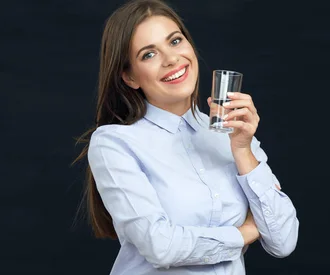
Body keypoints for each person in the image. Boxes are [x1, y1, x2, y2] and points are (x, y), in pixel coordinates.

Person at [73, 0, 299, 274]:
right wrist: (247, 231)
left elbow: (283, 241)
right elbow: (160, 246)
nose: (171, 59)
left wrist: (242, 150)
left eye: (175, 41)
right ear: (130, 77)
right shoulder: (115, 143)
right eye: (149, 54)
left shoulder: (233, 132)